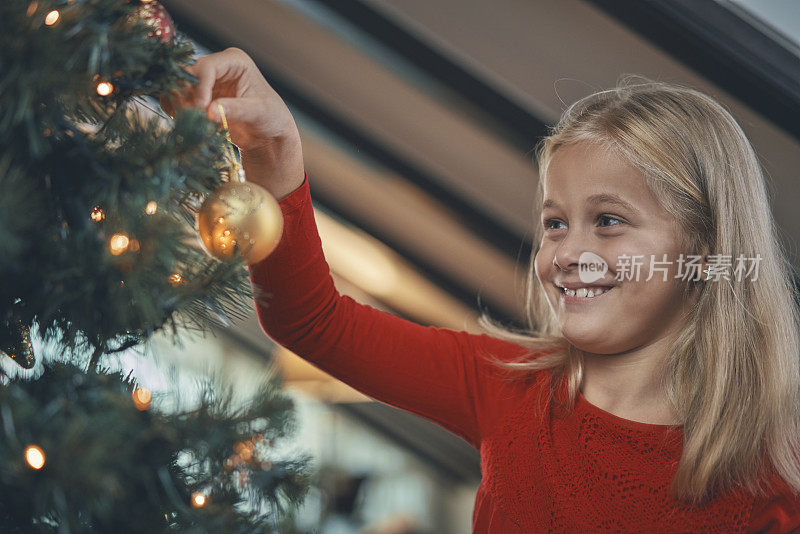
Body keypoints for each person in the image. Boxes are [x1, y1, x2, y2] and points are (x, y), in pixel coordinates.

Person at [163, 47, 800, 532]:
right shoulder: (505, 384)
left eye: (608, 221)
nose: (569, 254)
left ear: (705, 253)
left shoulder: (771, 482)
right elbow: (314, 323)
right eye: (555, 223)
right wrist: (275, 157)